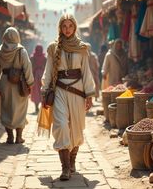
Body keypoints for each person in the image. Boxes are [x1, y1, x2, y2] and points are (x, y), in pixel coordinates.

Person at [42, 14, 95, 181]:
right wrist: (45, 91)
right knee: (61, 125)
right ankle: (65, 168)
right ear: (60, 28)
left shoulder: (83, 47)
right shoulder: (53, 47)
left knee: (76, 128)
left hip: (78, 92)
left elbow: (86, 71)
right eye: (64, 26)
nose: (67, 29)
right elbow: (49, 70)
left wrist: (90, 94)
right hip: (59, 92)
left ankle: (72, 161)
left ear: (75, 27)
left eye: (70, 26)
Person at [0, 27, 34, 144]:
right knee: (20, 110)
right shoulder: (22, 51)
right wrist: (30, 83)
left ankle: (9, 137)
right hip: (20, 84)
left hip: (5, 83)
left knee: (6, 109)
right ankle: (18, 137)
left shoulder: (0, 51)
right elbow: (27, 68)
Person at [30, 44, 47, 113]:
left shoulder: (32, 58)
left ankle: (36, 107)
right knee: (42, 91)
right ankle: (41, 107)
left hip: (35, 76)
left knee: (35, 92)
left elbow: (30, 68)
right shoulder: (45, 58)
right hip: (43, 76)